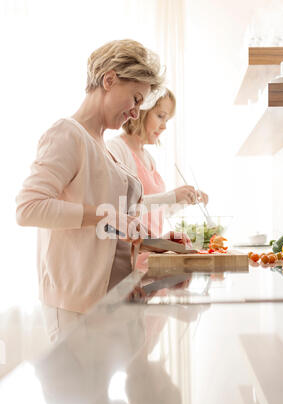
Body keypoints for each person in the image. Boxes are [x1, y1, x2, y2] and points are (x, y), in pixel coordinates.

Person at [15, 39, 174, 342]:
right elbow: (28, 208)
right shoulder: (67, 134)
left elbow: (110, 231)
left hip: (110, 302)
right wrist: (108, 216)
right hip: (75, 307)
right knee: (77, 390)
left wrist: (159, 242)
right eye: (135, 99)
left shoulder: (101, 144)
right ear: (110, 79)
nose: (136, 112)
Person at [106, 88, 208, 267]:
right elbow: (121, 210)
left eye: (167, 119)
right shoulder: (116, 149)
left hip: (149, 254)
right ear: (142, 111)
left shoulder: (148, 158)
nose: (164, 126)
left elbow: (157, 212)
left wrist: (185, 200)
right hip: (128, 261)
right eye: (160, 116)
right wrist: (171, 196)